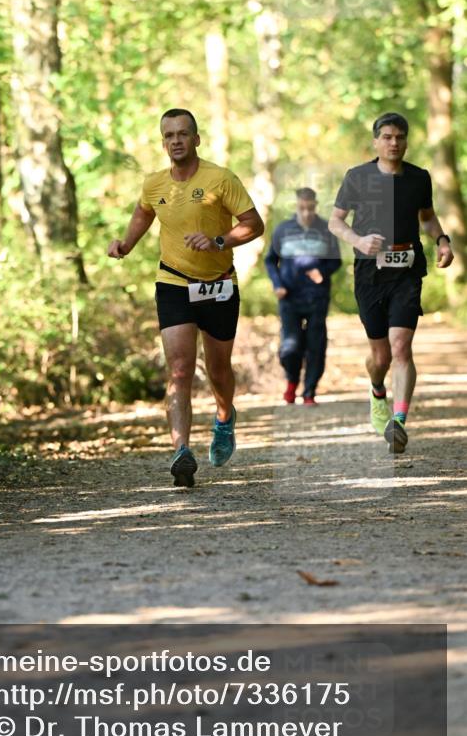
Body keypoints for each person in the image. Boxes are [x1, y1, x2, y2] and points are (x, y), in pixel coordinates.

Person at [107, 108, 264, 488]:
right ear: (163, 143)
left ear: (196, 139)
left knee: (219, 370)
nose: (176, 140)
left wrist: (219, 241)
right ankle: (181, 452)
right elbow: (145, 212)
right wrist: (126, 243)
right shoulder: (155, 184)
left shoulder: (221, 179)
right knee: (178, 369)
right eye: (169, 135)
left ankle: (224, 417)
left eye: (182, 134)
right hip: (173, 282)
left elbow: (254, 225)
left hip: (219, 283)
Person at [328, 112, 454, 453]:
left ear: (406, 141)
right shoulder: (357, 177)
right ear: (376, 141)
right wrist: (357, 240)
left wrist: (442, 240)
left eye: (399, 137)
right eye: (387, 137)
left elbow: (426, 218)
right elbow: (335, 222)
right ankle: (377, 389)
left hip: (407, 270)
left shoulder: (418, 178)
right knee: (380, 356)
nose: (394, 142)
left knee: (401, 348)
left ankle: (398, 421)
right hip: (369, 273)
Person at [265, 187, 342, 405]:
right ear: (296, 206)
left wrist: (322, 273)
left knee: (316, 345)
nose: (306, 213)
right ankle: (291, 382)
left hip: (317, 297)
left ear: (315, 206)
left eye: (310, 208)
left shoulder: (326, 229)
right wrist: (277, 284)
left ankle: (309, 392)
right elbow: (270, 260)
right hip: (289, 296)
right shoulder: (283, 230)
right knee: (290, 346)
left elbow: (335, 261)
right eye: (302, 208)